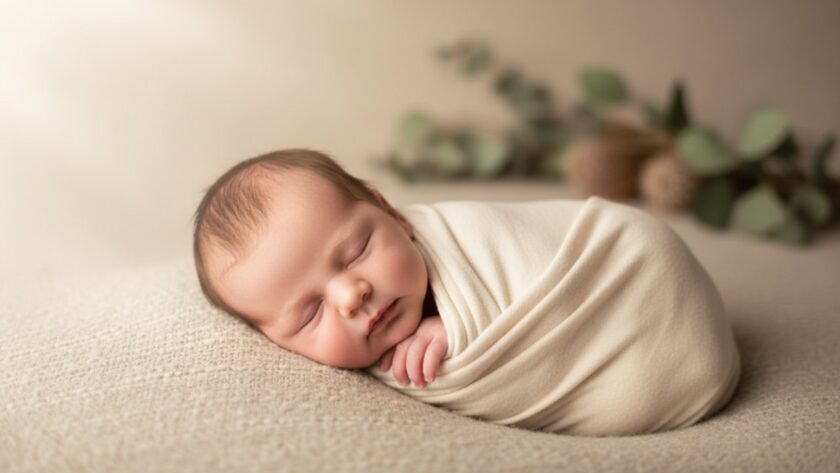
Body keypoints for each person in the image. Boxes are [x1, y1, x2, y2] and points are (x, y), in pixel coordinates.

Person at [193, 148, 446, 388]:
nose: (350, 297)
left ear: (391, 213)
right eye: (311, 313)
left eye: (356, 253)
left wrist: (454, 329)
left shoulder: (464, 242)